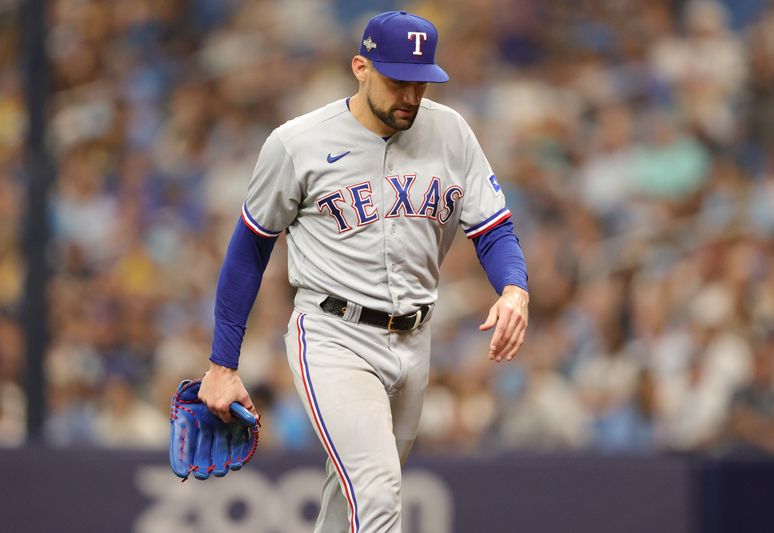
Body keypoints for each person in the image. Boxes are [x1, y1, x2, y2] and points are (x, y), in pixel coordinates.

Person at [198, 10, 529, 533]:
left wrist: (514, 288)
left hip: (414, 339)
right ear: (360, 67)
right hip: (333, 335)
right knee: (376, 492)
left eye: (420, 83)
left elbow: (492, 229)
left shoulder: (451, 132)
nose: (411, 97)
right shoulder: (296, 143)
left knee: (348, 497)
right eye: (398, 80)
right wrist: (223, 363)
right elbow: (248, 251)